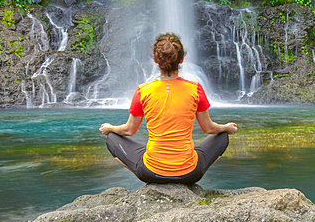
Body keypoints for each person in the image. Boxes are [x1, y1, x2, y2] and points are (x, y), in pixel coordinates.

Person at [99, 32, 237, 184]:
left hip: (151, 173)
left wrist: (110, 128)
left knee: (112, 138)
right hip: (190, 173)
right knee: (222, 136)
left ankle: (145, 170)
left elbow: (128, 130)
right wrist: (226, 127)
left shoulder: (143, 90)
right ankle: (184, 168)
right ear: (182, 59)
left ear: (156, 60)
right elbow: (209, 128)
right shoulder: (195, 89)